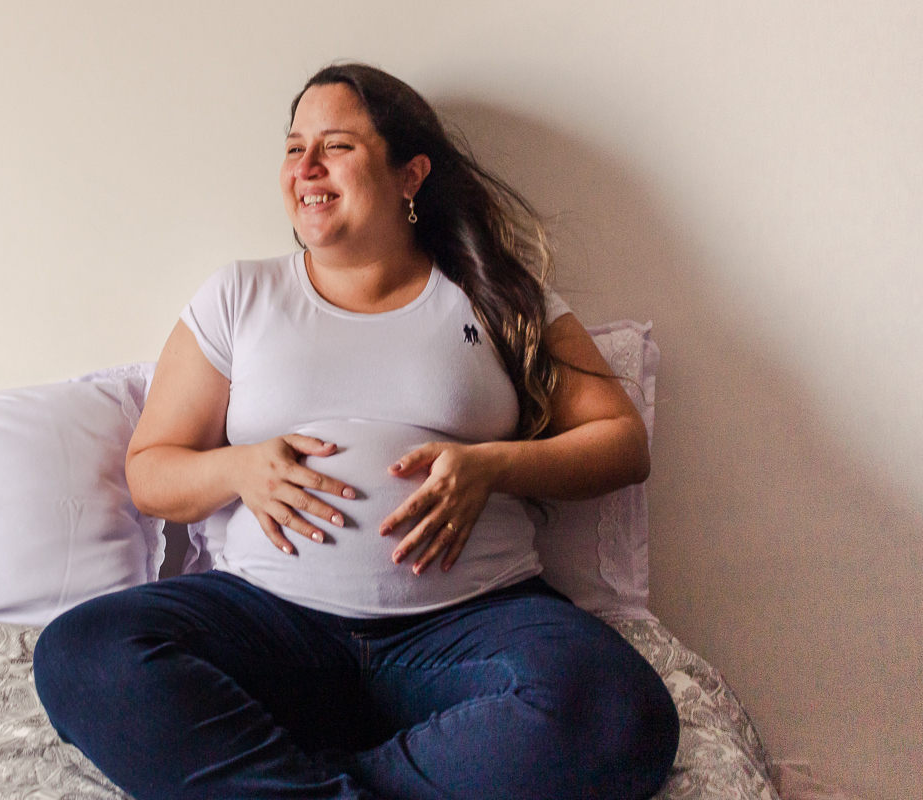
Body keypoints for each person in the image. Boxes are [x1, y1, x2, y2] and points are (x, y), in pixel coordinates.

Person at [33, 63, 679, 800]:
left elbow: (621, 442)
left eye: (335, 146)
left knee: (620, 715)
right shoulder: (240, 296)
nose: (305, 167)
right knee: (83, 653)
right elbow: (152, 470)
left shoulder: (495, 296)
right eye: (293, 146)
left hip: (467, 628)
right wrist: (238, 469)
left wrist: (492, 466)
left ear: (410, 175)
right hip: (272, 627)